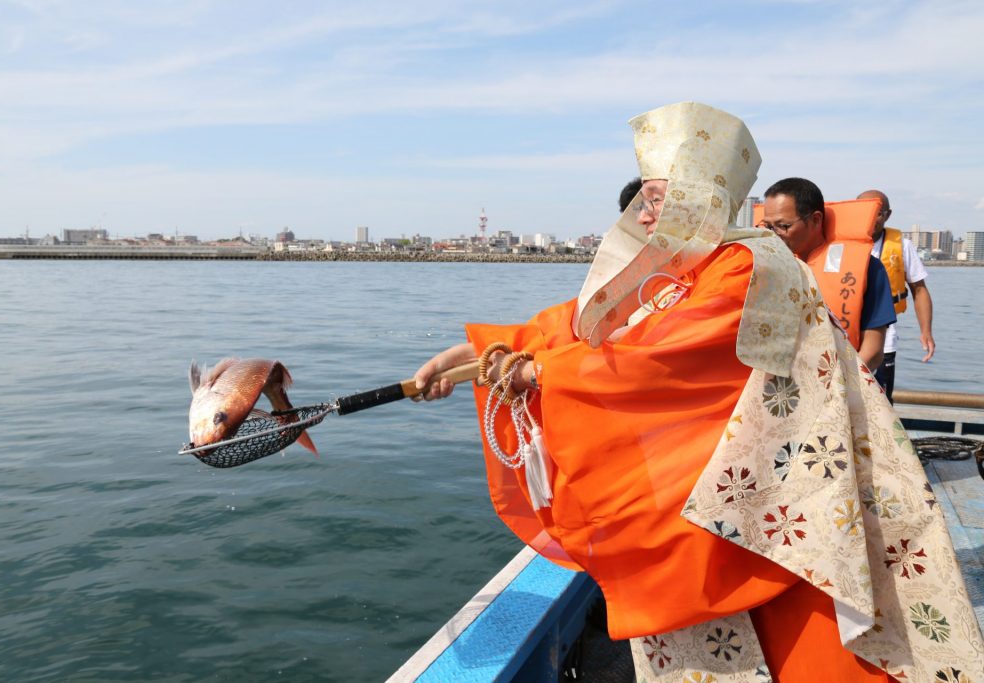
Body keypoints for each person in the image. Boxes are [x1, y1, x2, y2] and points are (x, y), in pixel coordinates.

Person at [413, 102, 982, 682]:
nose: (647, 210)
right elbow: (588, 322)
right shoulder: (678, 269)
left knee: (812, 650)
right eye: (647, 199)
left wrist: (536, 376)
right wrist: (479, 353)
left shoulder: (748, 263)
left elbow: (659, 355)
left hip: (784, 489)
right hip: (718, 488)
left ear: (703, 193)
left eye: (660, 196)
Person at [760, 178, 896, 371]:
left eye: (783, 226)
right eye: (768, 227)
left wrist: (836, 389)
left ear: (816, 219)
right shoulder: (761, 267)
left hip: (839, 386)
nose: (774, 234)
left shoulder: (869, 269)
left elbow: (873, 351)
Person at [858, 189, 935, 403]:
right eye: (865, 211)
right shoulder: (840, 243)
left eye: (878, 212)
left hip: (884, 336)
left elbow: (919, 289)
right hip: (845, 331)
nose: (871, 217)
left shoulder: (902, 246)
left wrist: (926, 331)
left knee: (880, 400)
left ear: (887, 215)